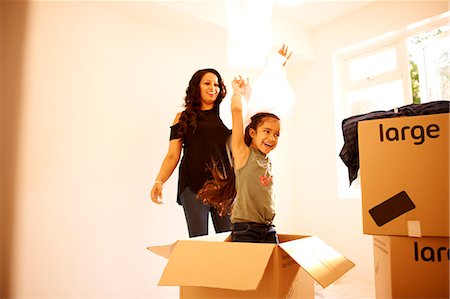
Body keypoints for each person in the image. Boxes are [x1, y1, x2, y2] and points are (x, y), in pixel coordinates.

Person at [198, 76, 282, 244]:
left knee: (271, 269)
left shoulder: (266, 160)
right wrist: (236, 92)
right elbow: (237, 112)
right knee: (249, 270)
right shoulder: (243, 154)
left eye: (277, 134)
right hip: (246, 229)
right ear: (252, 133)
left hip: (268, 227)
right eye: (267, 131)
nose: (272, 138)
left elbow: (260, 110)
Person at [150, 68, 232, 238]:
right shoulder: (183, 117)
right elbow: (173, 155)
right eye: (207, 83)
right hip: (193, 185)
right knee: (200, 241)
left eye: (216, 84)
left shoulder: (226, 114)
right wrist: (159, 180)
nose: (213, 88)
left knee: (229, 240)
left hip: (223, 186)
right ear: (197, 87)